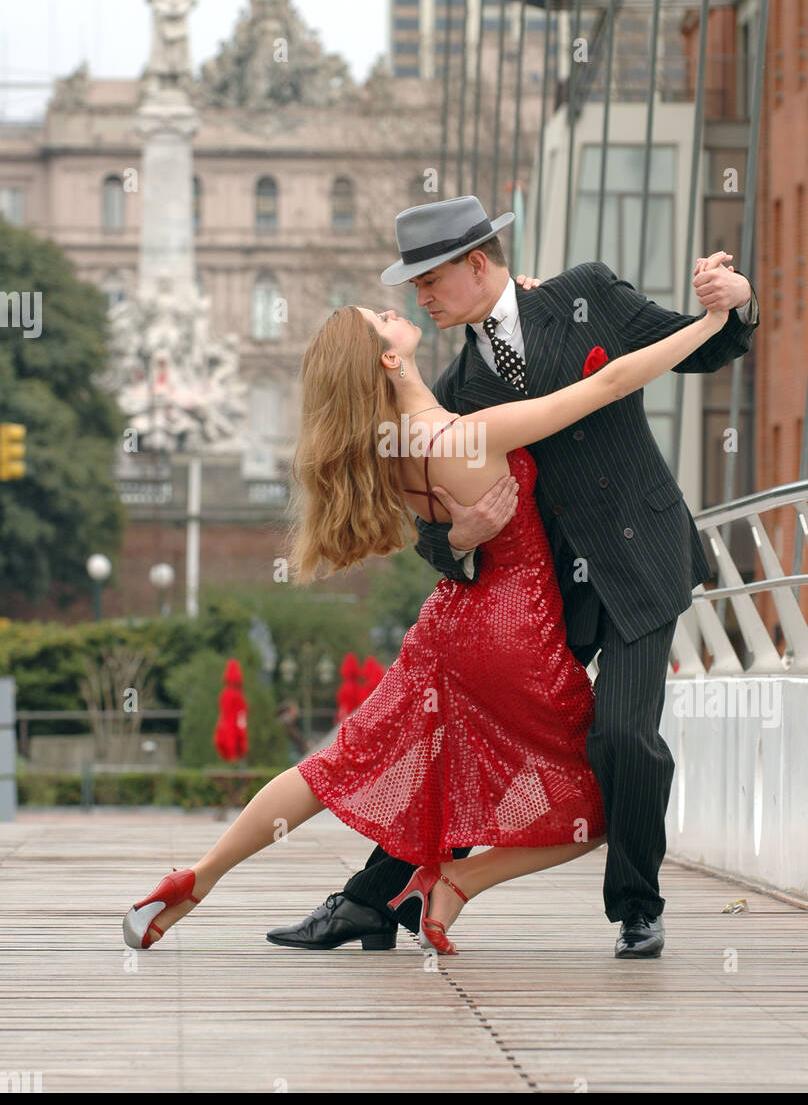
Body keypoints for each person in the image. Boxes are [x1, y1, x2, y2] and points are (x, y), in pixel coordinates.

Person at [122, 245, 731, 954]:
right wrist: (709, 322)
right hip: (516, 630)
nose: (403, 306)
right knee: (602, 805)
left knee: (335, 764)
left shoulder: (391, 448)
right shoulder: (463, 428)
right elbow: (609, 383)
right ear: (387, 361)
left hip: (447, 627)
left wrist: (525, 302)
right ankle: (456, 885)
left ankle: (198, 876)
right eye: (384, 316)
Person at [268, 194, 759, 959]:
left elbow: (697, 348)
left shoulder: (584, 294)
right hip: (545, 589)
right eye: (413, 289)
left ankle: (636, 906)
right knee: (456, 726)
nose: (421, 299)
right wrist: (457, 538)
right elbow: (436, 525)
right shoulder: (458, 389)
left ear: (476, 263)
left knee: (624, 735)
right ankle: (373, 900)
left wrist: (738, 303)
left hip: (639, 556)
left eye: (430, 281)